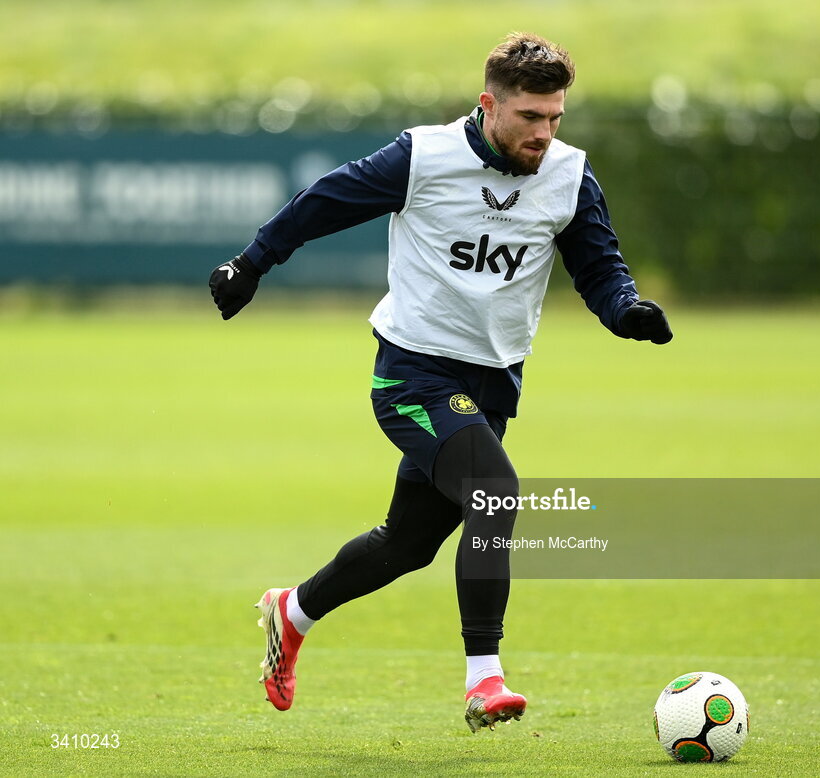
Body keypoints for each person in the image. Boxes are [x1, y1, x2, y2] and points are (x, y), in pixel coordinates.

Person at [209, 32, 672, 732]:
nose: (544, 133)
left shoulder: (570, 175)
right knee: (496, 493)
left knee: (407, 544)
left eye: (555, 118)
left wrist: (626, 312)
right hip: (412, 377)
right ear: (489, 104)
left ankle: (292, 611)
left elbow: (599, 267)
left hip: (490, 389)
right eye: (530, 118)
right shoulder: (423, 156)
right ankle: (485, 681)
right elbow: (322, 201)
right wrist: (251, 263)